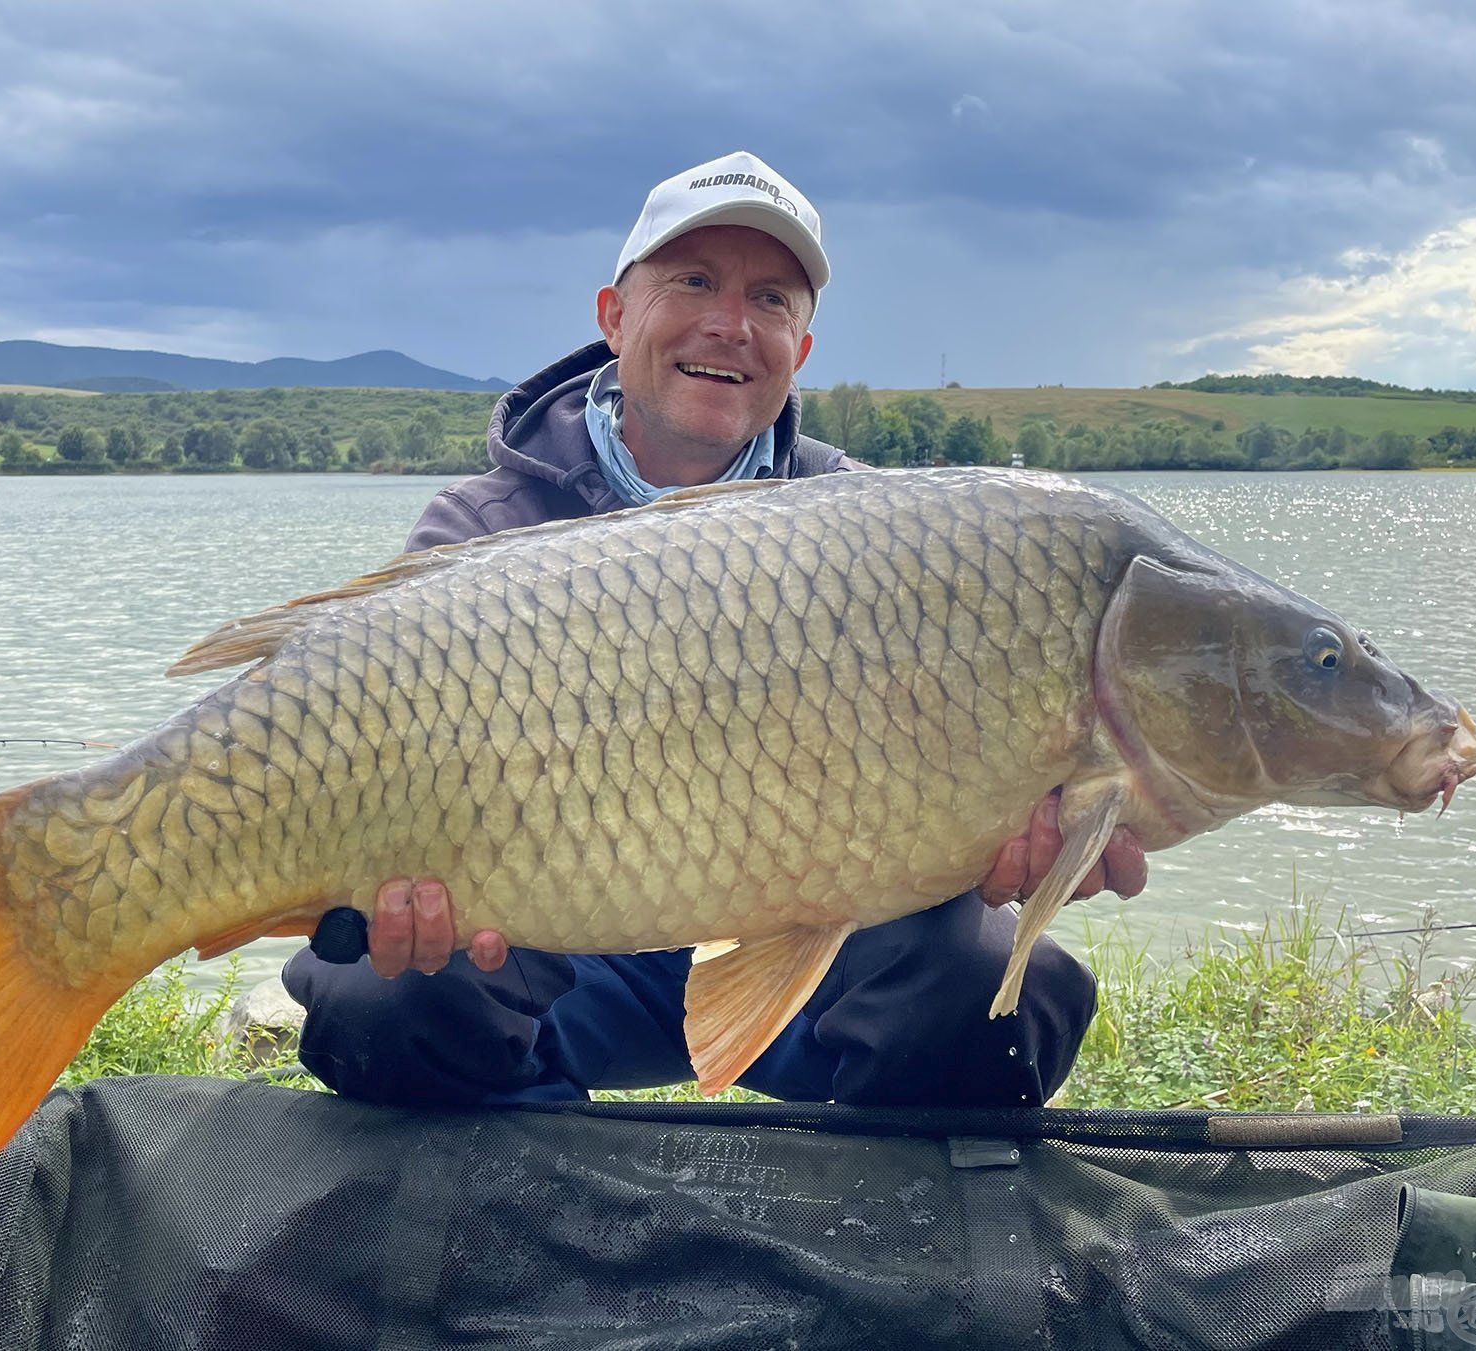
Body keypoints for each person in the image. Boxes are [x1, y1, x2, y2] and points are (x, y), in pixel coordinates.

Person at [284, 151, 1145, 1108]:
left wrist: (1023, 836)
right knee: (377, 1000)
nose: (731, 324)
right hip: (556, 953)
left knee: (1002, 998)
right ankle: (527, 1213)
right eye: (693, 280)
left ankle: (864, 1232)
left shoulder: (881, 534)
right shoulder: (484, 528)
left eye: (772, 299)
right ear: (614, 314)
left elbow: (955, 774)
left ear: (800, 349)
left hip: (811, 943)